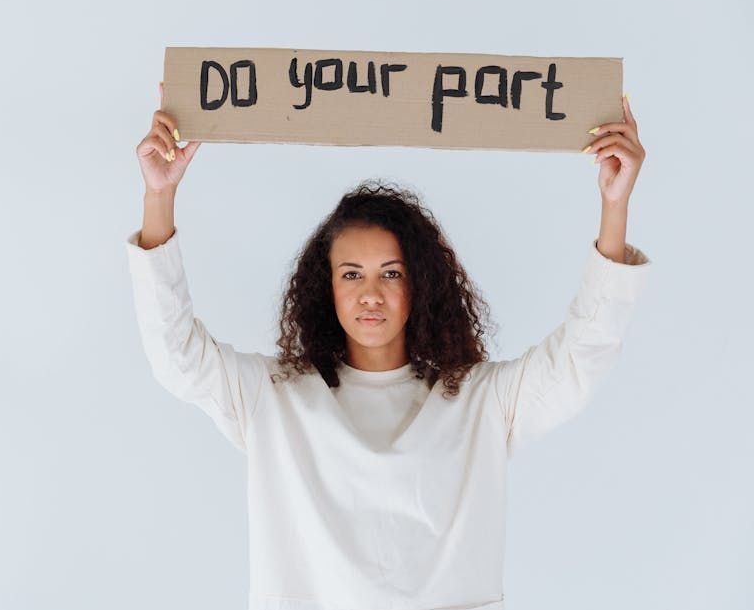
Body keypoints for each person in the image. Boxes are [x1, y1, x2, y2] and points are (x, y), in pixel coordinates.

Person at [125, 81, 651, 610]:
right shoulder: (274, 396)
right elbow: (175, 353)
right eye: (351, 274)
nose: (370, 294)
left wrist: (614, 204)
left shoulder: (479, 400)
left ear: (419, 284)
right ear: (324, 287)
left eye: (391, 273)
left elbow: (584, 354)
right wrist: (159, 195)